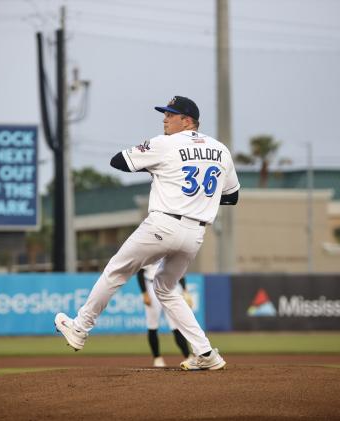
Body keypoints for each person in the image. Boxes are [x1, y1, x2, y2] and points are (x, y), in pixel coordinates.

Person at [55, 95, 240, 370]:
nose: (164, 118)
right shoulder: (221, 150)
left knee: (116, 271)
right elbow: (231, 196)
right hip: (194, 234)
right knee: (166, 288)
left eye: (171, 114)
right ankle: (205, 353)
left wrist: (157, 168)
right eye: (165, 114)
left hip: (163, 225)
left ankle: (80, 328)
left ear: (187, 121)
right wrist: (199, 198)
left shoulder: (165, 144)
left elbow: (118, 161)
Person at [137, 260, 192, 367]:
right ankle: (157, 358)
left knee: (176, 325)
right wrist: (144, 293)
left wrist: (185, 290)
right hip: (151, 286)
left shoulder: (171, 250)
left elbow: (179, 272)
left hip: (170, 286)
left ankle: (188, 356)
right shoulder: (150, 250)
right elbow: (140, 273)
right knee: (152, 325)